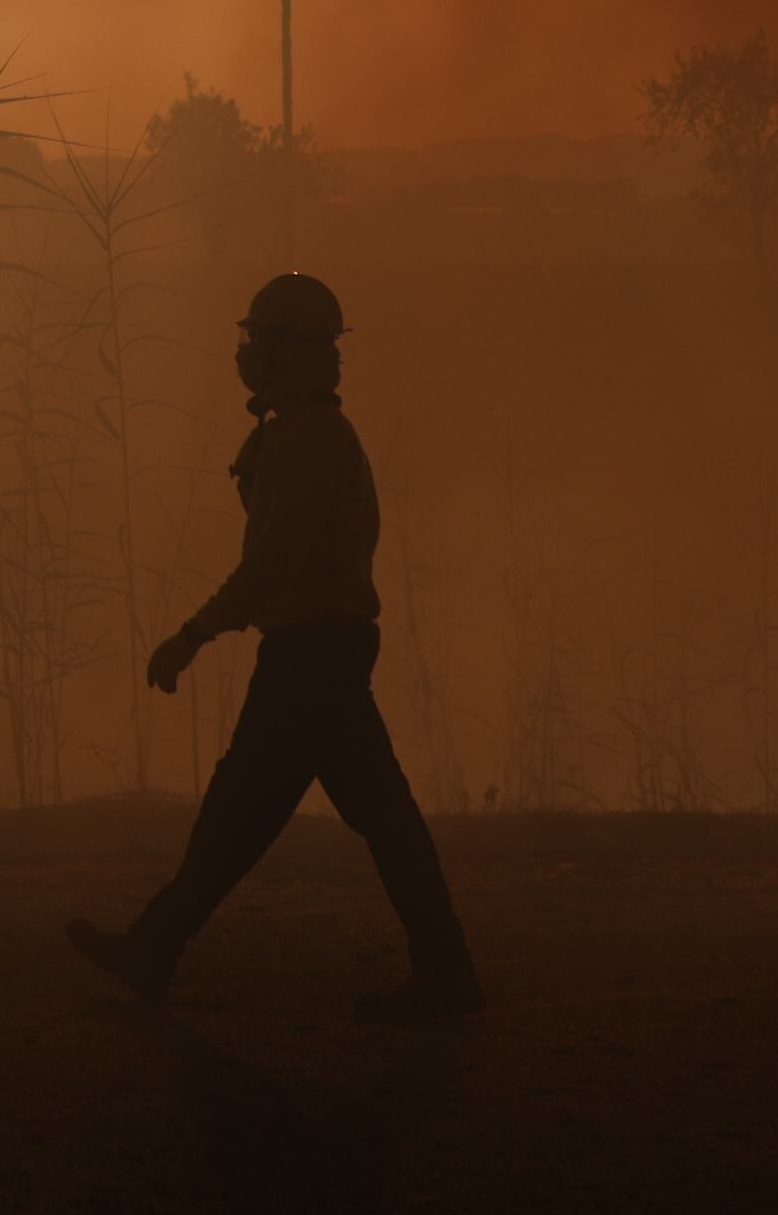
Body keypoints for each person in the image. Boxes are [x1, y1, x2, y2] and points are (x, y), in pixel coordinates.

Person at [67, 270, 484, 1020]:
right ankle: (444, 969)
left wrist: (191, 635)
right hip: (322, 650)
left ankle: (155, 948)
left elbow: (268, 565)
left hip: (310, 655)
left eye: (261, 339)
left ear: (290, 351)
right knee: (349, 817)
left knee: (253, 815)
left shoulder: (312, 441)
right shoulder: (304, 435)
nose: (249, 353)